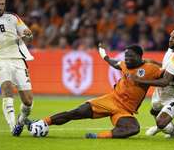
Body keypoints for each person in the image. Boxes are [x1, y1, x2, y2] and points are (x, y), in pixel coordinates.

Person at [33, 44, 163, 138]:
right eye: (126, 56)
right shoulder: (124, 64)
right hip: (111, 100)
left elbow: (168, 77)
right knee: (77, 112)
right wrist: (104, 56)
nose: (126, 59)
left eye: (130, 57)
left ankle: (98, 136)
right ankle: (43, 122)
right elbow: (114, 63)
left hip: (126, 110)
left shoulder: (151, 69)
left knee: (134, 129)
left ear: (140, 57)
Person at [0, 0, 34, 136]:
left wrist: (28, 35)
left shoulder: (13, 18)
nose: (0, 7)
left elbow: (29, 35)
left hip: (18, 60)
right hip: (0, 60)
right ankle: (13, 127)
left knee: (28, 101)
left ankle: (21, 120)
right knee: (7, 89)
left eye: (2, 4)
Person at [131, 28, 174, 138]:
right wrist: (154, 62)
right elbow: (168, 68)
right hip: (161, 92)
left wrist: (140, 81)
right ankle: (171, 129)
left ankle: (170, 129)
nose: (170, 39)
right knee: (154, 111)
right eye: (171, 36)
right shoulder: (172, 49)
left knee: (161, 122)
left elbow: (165, 81)